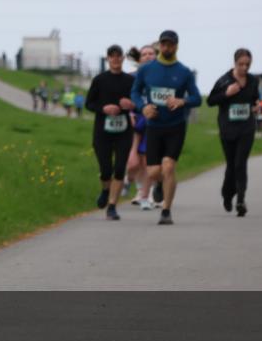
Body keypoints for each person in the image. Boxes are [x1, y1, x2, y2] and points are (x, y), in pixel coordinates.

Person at [131, 30, 202, 225]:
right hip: (154, 126)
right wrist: (143, 107)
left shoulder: (184, 72)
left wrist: (181, 101)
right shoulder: (147, 70)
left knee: (169, 166)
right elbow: (135, 93)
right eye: (163, 44)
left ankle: (166, 211)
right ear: (160, 45)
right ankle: (160, 183)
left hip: (175, 126)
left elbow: (197, 98)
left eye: (170, 44)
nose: (166, 47)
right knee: (154, 172)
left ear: (176, 46)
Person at [206, 48, 260, 216]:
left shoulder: (252, 80)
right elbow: (210, 101)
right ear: (234, 63)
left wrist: (256, 105)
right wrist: (226, 93)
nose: (244, 67)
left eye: (247, 64)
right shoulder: (224, 80)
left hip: (247, 128)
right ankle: (227, 194)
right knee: (231, 165)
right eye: (241, 64)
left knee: (240, 163)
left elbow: (255, 98)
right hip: (228, 128)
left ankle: (241, 200)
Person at [85, 45, 136, 220]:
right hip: (102, 131)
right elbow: (88, 104)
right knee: (106, 169)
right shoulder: (99, 80)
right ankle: (105, 190)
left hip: (124, 131)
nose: (115, 59)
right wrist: (103, 108)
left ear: (122, 58)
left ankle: (112, 206)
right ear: (107, 59)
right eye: (111, 56)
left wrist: (131, 105)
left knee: (120, 167)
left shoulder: (130, 80)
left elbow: (137, 102)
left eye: (118, 56)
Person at [126, 45, 159, 209]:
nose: (147, 56)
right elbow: (124, 98)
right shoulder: (131, 77)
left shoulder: (162, 76)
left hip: (155, 121)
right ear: (139, 59)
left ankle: (148, 193)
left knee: (149, 159)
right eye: (144, 54)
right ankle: (137, 188)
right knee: (135, 161)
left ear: (156, 57)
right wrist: (129, 113)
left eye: (151, 54)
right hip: (135, 121)